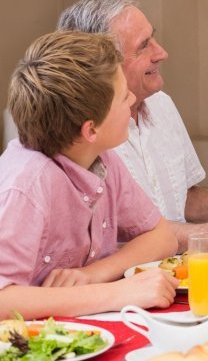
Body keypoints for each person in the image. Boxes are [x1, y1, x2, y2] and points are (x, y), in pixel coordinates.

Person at [57, 0, 208, 257]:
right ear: (101, 64)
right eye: (143, 46)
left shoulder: (161, 104)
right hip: (128, 282)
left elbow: (185, 198)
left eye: (153, 38)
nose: (161, 53)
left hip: (182, 270)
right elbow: (125, 232)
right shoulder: (86, 136)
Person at [0, 31, 179, 318]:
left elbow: (163, 236)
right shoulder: (25, 186)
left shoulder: (102, 158)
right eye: (123, 97)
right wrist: (114, 293)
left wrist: (94, 274)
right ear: (90, 130)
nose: (133, 97)